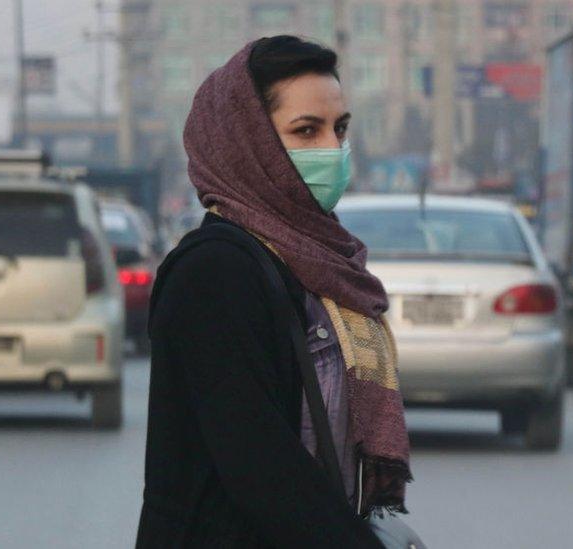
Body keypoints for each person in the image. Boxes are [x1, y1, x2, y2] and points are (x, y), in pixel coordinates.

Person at [135, 36, 411, 548]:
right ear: (248, 142)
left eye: (339, 129)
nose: (332, 149)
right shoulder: (214, 271)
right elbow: (258, 462)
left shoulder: (319, 265)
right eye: (306, 131)